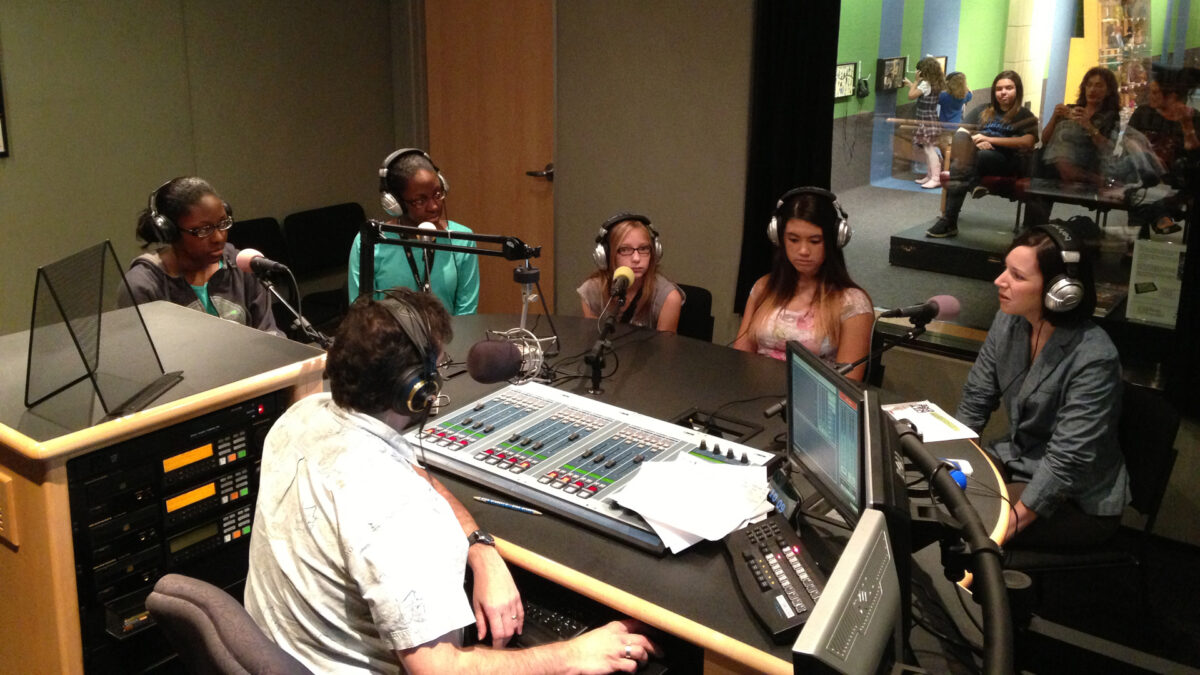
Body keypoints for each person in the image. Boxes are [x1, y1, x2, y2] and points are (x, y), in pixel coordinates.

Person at [245, 287, 660, 674]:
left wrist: (480, 549)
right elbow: (440, 669)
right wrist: (572, 654)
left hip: (283, 656)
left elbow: (412, 471)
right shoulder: (396, 505)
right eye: (438, 366)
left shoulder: (303, 415)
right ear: (415, 390)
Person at [955, 223, 1127, 548]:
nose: (999, 281)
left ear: (1061, 291)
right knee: (938, 493)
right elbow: (976, 398)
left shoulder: (1094, 357)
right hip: (1017, 460)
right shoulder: (1009, 321)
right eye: (1005, 269)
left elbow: (1066, 463)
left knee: (975, 519)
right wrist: (953, 462)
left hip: (1075, 497)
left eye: (1017, 277)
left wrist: (1001, 533)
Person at [733, 188, 873, 380]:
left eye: (815, 241)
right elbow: (740, 357)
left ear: (835, 241)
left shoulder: (853, 304)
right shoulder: (764, 288)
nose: (803, 251)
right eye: (793, 240)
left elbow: (848, 383)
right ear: (779, 238)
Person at [125, 176, 281, 336]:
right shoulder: (143, 285)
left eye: (222, 223)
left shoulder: (243, 265)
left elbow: (270, 333)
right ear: (170, 232)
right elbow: (142, 357)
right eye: (203, 230)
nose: (219, 238)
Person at [348, 148, 480, 315]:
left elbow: (466, 313)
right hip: (389, 340)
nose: (434, 206)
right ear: (395, 203)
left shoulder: (462, 239)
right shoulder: (369, 242)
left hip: (449, 339)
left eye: (437, 194)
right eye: (420, 200)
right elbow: (362, 316)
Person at [927, 71, 1039, 238]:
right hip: (977, 154)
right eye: (999, 89)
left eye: (1009, 88)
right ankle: (970, 187)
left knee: (967, 162)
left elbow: (1027, 142)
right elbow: (962, 131)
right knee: (961, 143)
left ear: (1018, 90)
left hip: (1005, 160)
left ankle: (949, 220)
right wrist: (975, 142)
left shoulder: (1025, 115)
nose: (1003, 92)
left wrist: (990, 139)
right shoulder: (983, 110)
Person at [1023, 67, 1121, 227]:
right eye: (1089, 85)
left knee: (1041, 168)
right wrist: (1055, 117)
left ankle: (1032, 230)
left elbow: (1108, 148)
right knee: (1041, 157)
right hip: (1056, 164)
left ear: (1109, 90)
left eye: (1099, 85)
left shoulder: (1110, 116)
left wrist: (1089, 126)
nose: (1092, 90)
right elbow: (1045, 139)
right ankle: (1035, 228)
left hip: (1085, 160)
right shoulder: (1072, 108)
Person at [578, 213, 684, 332]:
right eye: (624, 249)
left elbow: (665, 349)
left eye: (643, 248)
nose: (636, 258)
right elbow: (593, 342)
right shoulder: (592, 291)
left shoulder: (669, 298)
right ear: (606, 256)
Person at [903, 57, 946, 189]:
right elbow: (921, 93)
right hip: (931, 118)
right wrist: (912, 84)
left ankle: (936, 178)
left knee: (929, 149)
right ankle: (930, 175)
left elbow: (911, 96)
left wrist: (915, 82)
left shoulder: (925, 84)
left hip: (925, 120)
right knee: (928, 149)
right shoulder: (935, 83)